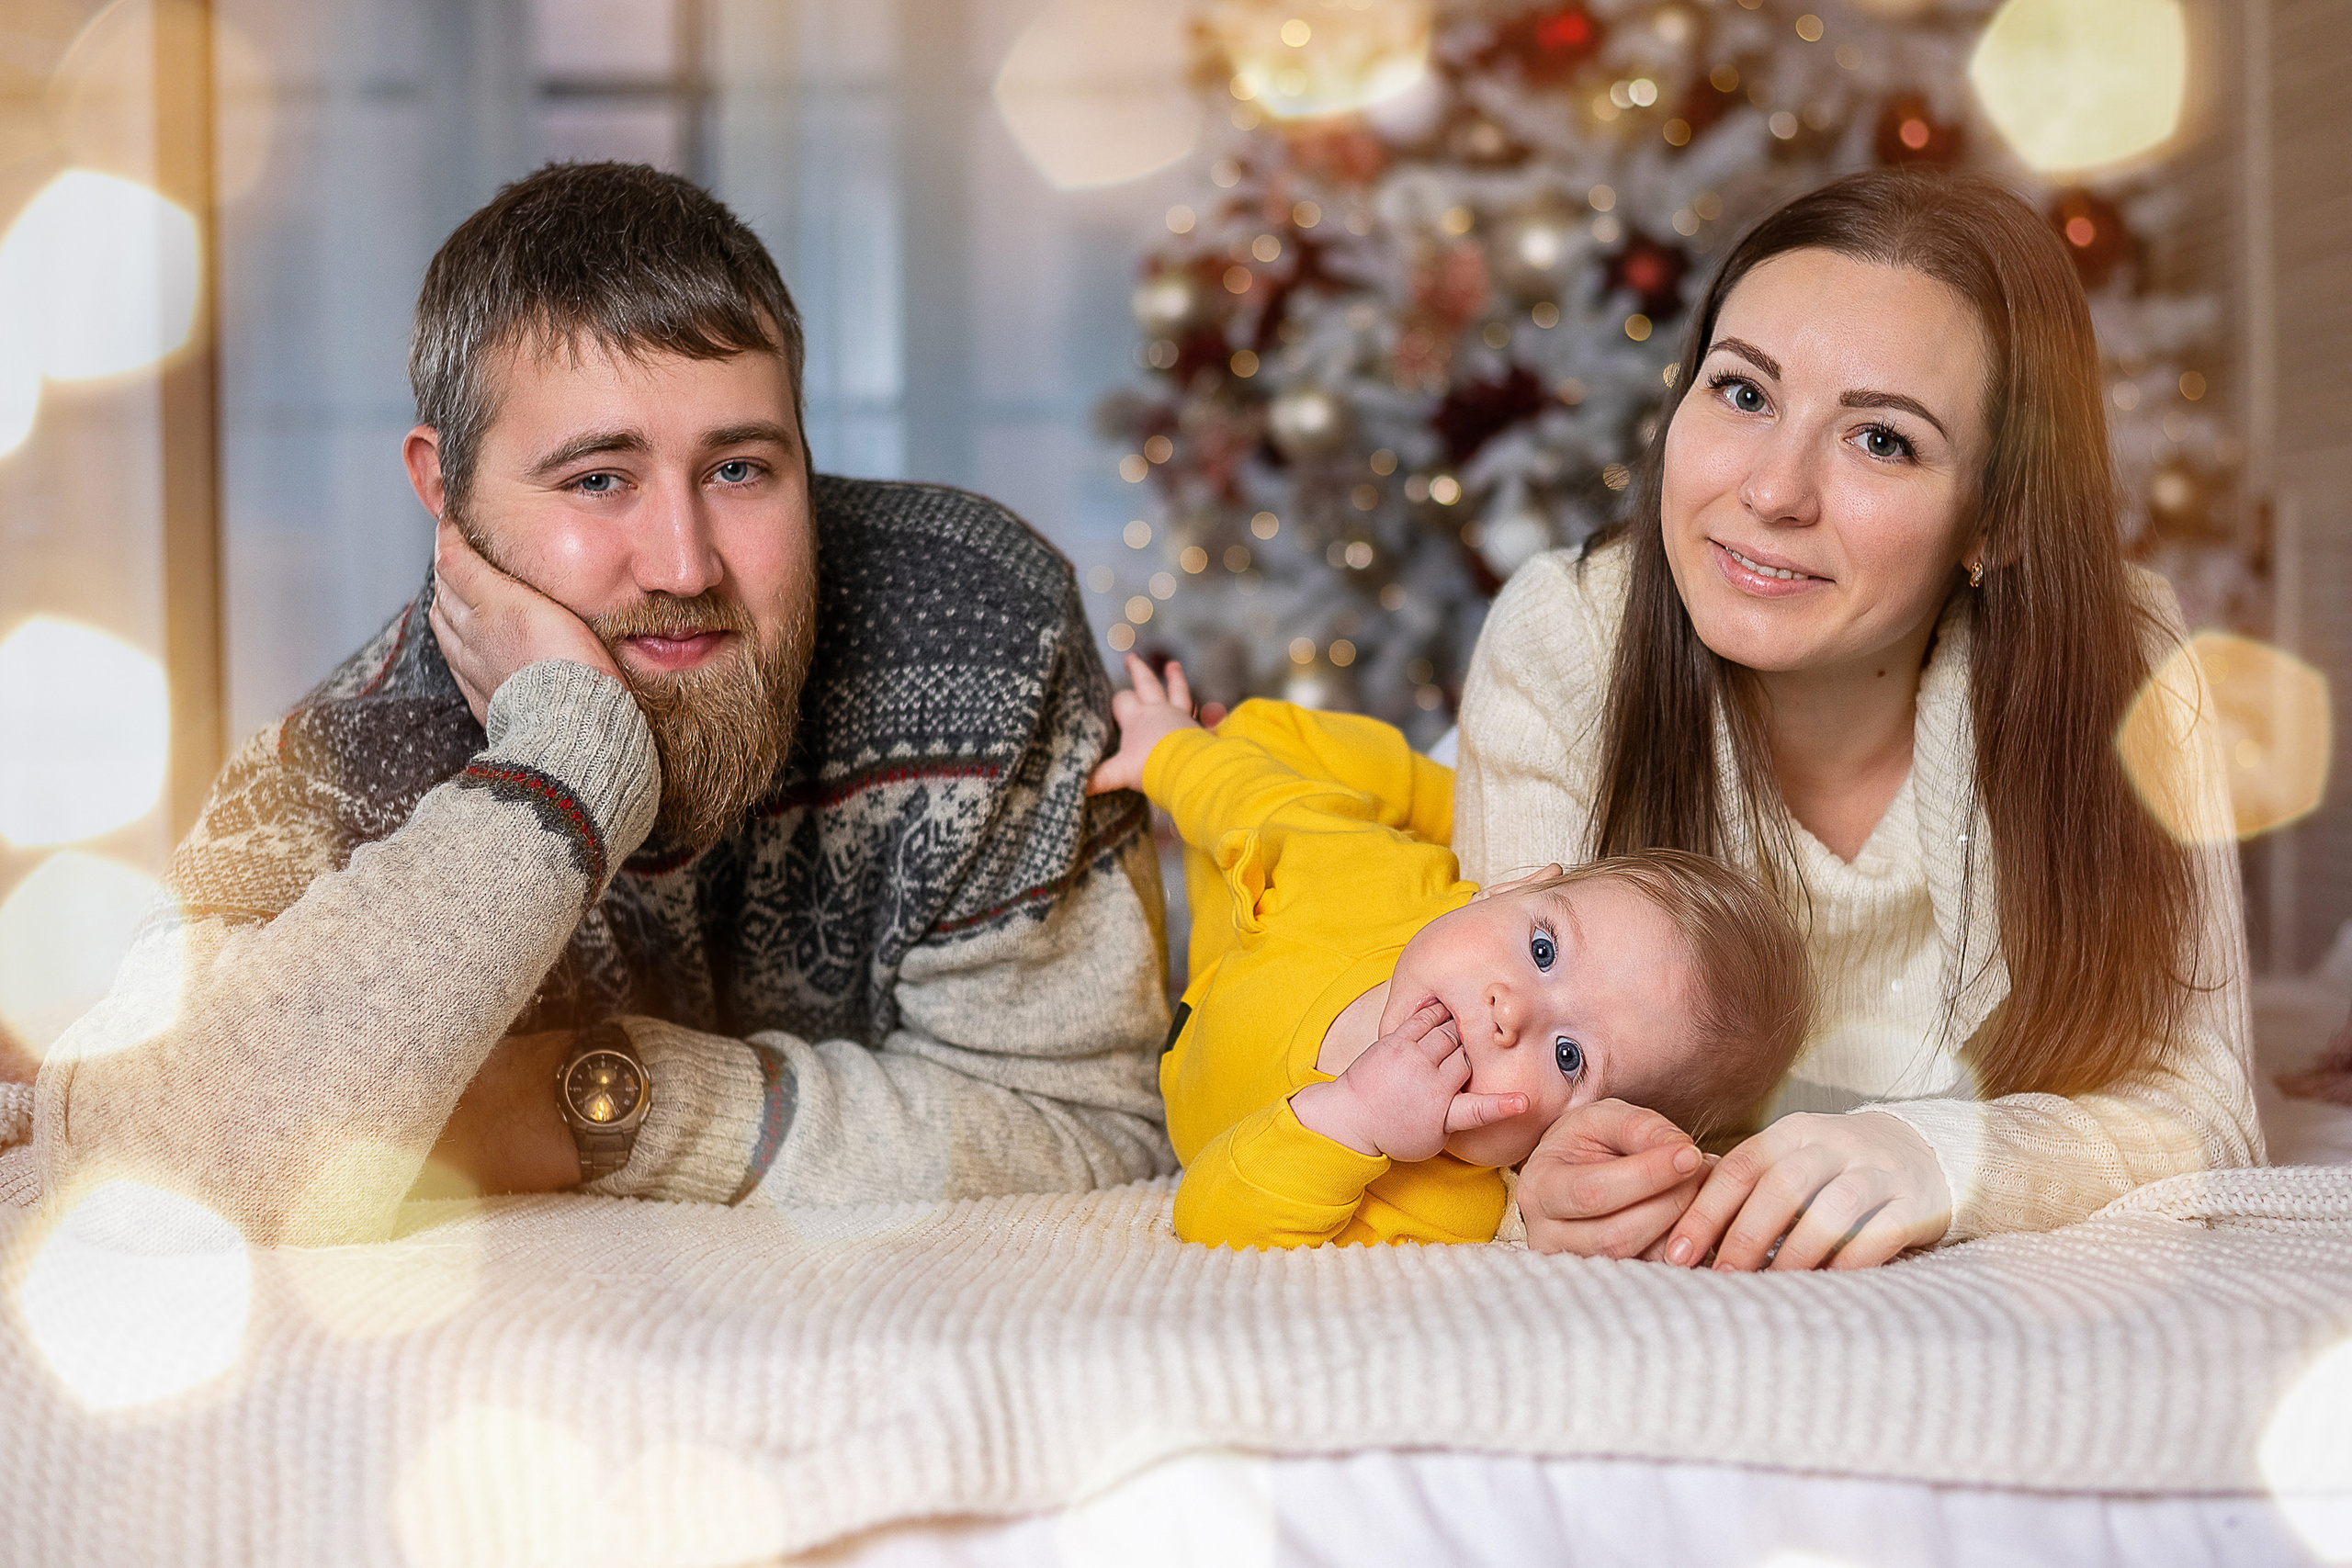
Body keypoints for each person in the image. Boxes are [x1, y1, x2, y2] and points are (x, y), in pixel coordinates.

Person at [27, 163, 1175, 1247]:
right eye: (597, 479)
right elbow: (135, 1171)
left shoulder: (980, 625)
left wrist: (593, 1104)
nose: (684, 564)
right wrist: (561, 766)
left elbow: (1092, 1124)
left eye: (738, 469)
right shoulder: (340, 762)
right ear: (444, 491)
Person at [1453, 168, 2260, 1271]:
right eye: (1743, 393)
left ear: (1997, 521)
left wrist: (1937, 1155)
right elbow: (1483, 1097)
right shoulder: (1565, 636)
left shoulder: (2130, 662)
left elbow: (2204, 1109)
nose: (1772, 492)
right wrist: (1543, 1188)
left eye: (1881, 439)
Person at [1087, 656, 1810, 1249]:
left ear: (1560, 1139)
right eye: (1543, 947)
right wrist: (1167, 749)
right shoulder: (1365, 877)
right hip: (1244, 935)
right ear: (1516, 886)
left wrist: (1353, 1118)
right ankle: (1438, 797)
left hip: (1200, 1069)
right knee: (1260, 747)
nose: (1511, 1010)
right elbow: (1254, 800)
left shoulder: (1445, 1209)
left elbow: (1208, 1217)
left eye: (1569, 1057)